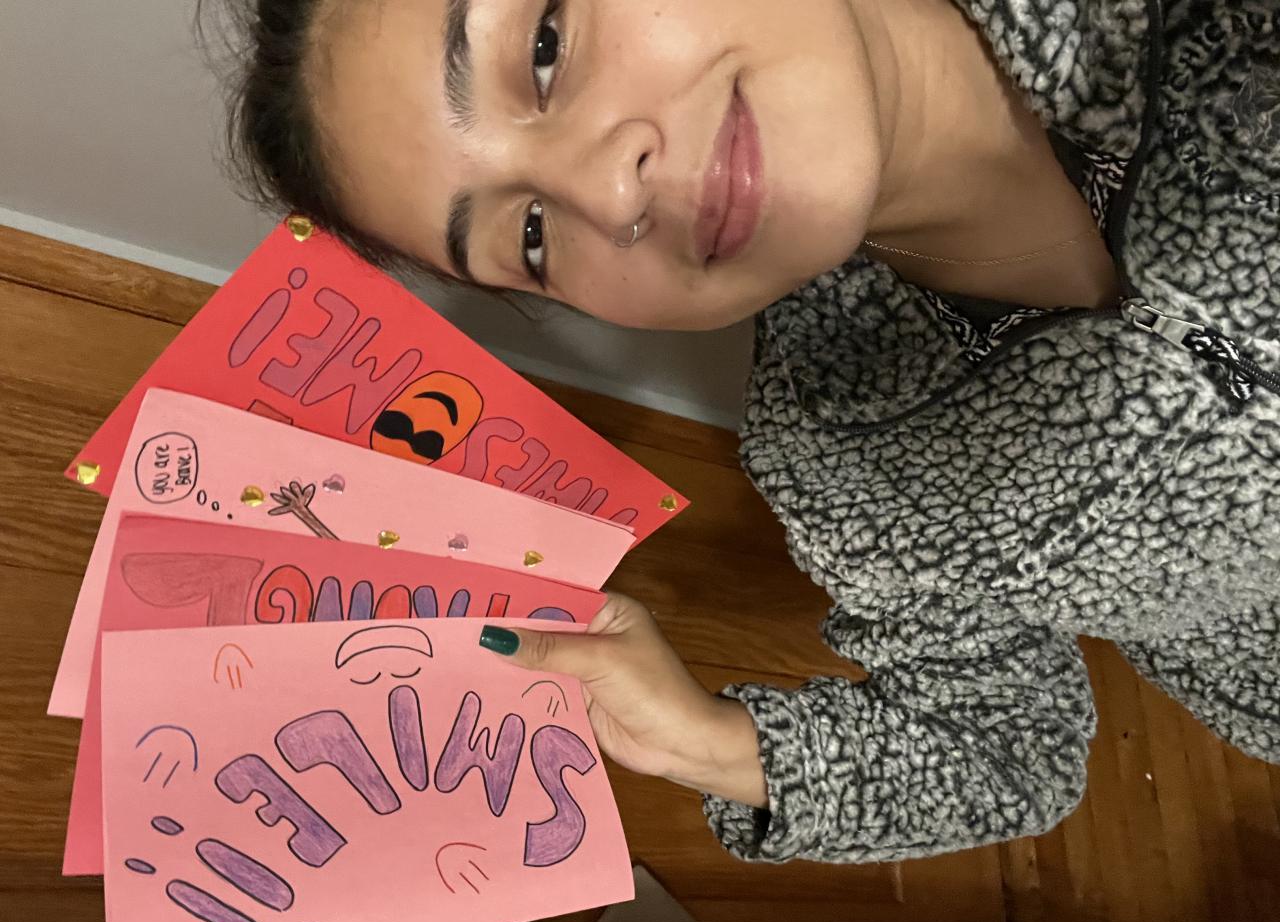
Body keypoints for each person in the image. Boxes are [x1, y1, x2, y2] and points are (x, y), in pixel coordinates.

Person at [213, 0, 1280, 863]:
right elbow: (1007, 750)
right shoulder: (836, 463)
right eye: (529, 237)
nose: (605, 192)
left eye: (542, 48)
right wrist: (706, 743)